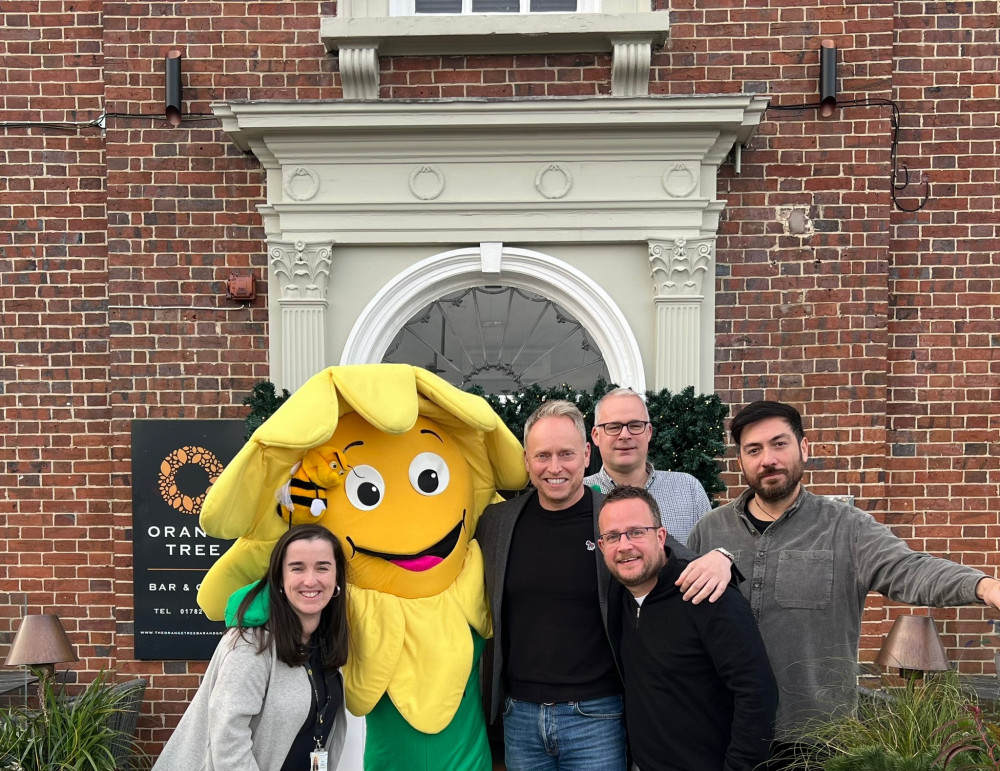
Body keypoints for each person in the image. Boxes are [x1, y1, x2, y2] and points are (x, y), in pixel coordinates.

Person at [685, 400, 1000, 766]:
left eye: (779, 444)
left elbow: (908, 568)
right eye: (753, 450)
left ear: (804, 447)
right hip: (723, 732)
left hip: (814, 738)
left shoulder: (847, 528)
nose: (767, 459)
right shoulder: (709, 531)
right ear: (739, 460)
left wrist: (984, 586)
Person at [477, 400, 734, 771]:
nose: (554, 467)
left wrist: (722, 556)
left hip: (597, 717)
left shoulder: (614, 516)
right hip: (520, 717)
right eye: (542, 455)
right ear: (526, 460)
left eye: (566, 453)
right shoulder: (497, 523)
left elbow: (675, 558)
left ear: (585, 455)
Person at [598, 485, 776, 771]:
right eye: (613, 536)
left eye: (636, 532)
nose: (625, 545)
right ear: (603, 545)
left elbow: (757, 693)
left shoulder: (707, 594)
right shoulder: (618, 597)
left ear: (660, 536)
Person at [154, 524, 349, 771]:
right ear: (279, 578)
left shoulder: (323, 642)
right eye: (297, 568)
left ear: (337, 577)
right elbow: (228, 742)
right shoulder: (252, 644)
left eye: (322, 567)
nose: (310, 580)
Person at [584, 388, 711, 544]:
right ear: (596, 435)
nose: (624, 435)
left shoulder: (689, 490)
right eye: (613, 427)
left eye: (635, 425)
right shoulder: (580, 494)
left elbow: (712, 558)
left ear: (649, 432)